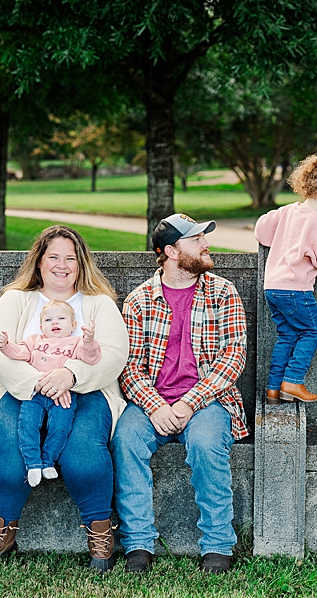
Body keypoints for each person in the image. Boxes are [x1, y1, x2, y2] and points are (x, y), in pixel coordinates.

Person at [0, 225, 129, 572]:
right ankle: (1, 532)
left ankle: (100, 534)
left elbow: (114, 353)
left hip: (86, 391)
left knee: (82, 453)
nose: (62, 265)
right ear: (39, 261)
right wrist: (37, 383)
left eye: (70, 259)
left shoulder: (98, 304)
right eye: (54, 257)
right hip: (21, 390)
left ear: (82, 264)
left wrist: (70, 375)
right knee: (9, 445)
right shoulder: (16, 299)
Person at [112, 213, 248, 575]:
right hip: (150, 402)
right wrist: (155, 406)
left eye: (204, 237)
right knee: (125, 440)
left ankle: (218, 545)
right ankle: (138, 544)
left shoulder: (223, 292)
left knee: (205, 445)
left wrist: (190, 402)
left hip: (208, 402)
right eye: (196, 239)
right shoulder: (140, 300)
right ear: (171, 251)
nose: (206, 244)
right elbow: (128, 367)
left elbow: (234, 356)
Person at [254, 154, 317, 404]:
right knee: (311, 332)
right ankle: (293, 381)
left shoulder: (288, 212)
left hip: (273, 288)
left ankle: (274, 388)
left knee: (287, 335)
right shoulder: (316, 222)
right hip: (296, 290)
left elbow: (261, 231)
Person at [0, 300, 101, 487]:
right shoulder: (35, 341)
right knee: (27, 424)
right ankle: (32, 463)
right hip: (35, 394)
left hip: (62, 395)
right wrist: (5, 345)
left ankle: (47, 461)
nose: (55, 322)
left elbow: (91, 358)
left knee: (60, 427)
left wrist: (89, 339)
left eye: (61, 318)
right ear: (41, 326)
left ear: (73, 325)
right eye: (49, 319)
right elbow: (18, 353)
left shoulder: (76, 342)